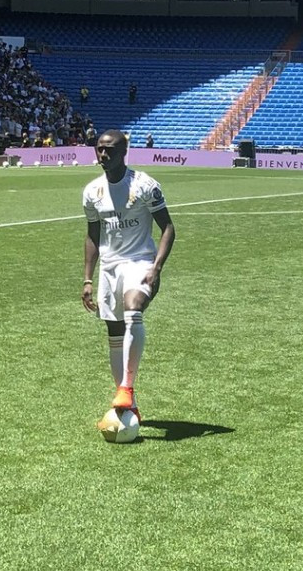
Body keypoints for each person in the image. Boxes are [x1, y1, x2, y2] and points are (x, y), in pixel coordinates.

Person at [81, 130, 176, 423]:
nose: (103, 154)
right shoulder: (92, 191)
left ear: (124, 152)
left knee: (133, 308)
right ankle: (127, 400)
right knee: (114, 332)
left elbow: (168, 228)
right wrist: (87, 279)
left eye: (110, 149)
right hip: (110, 267)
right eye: (99, 149)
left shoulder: (145, 185)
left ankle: (126, 387)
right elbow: (93, 235)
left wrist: (156, 267)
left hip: (140, 262)